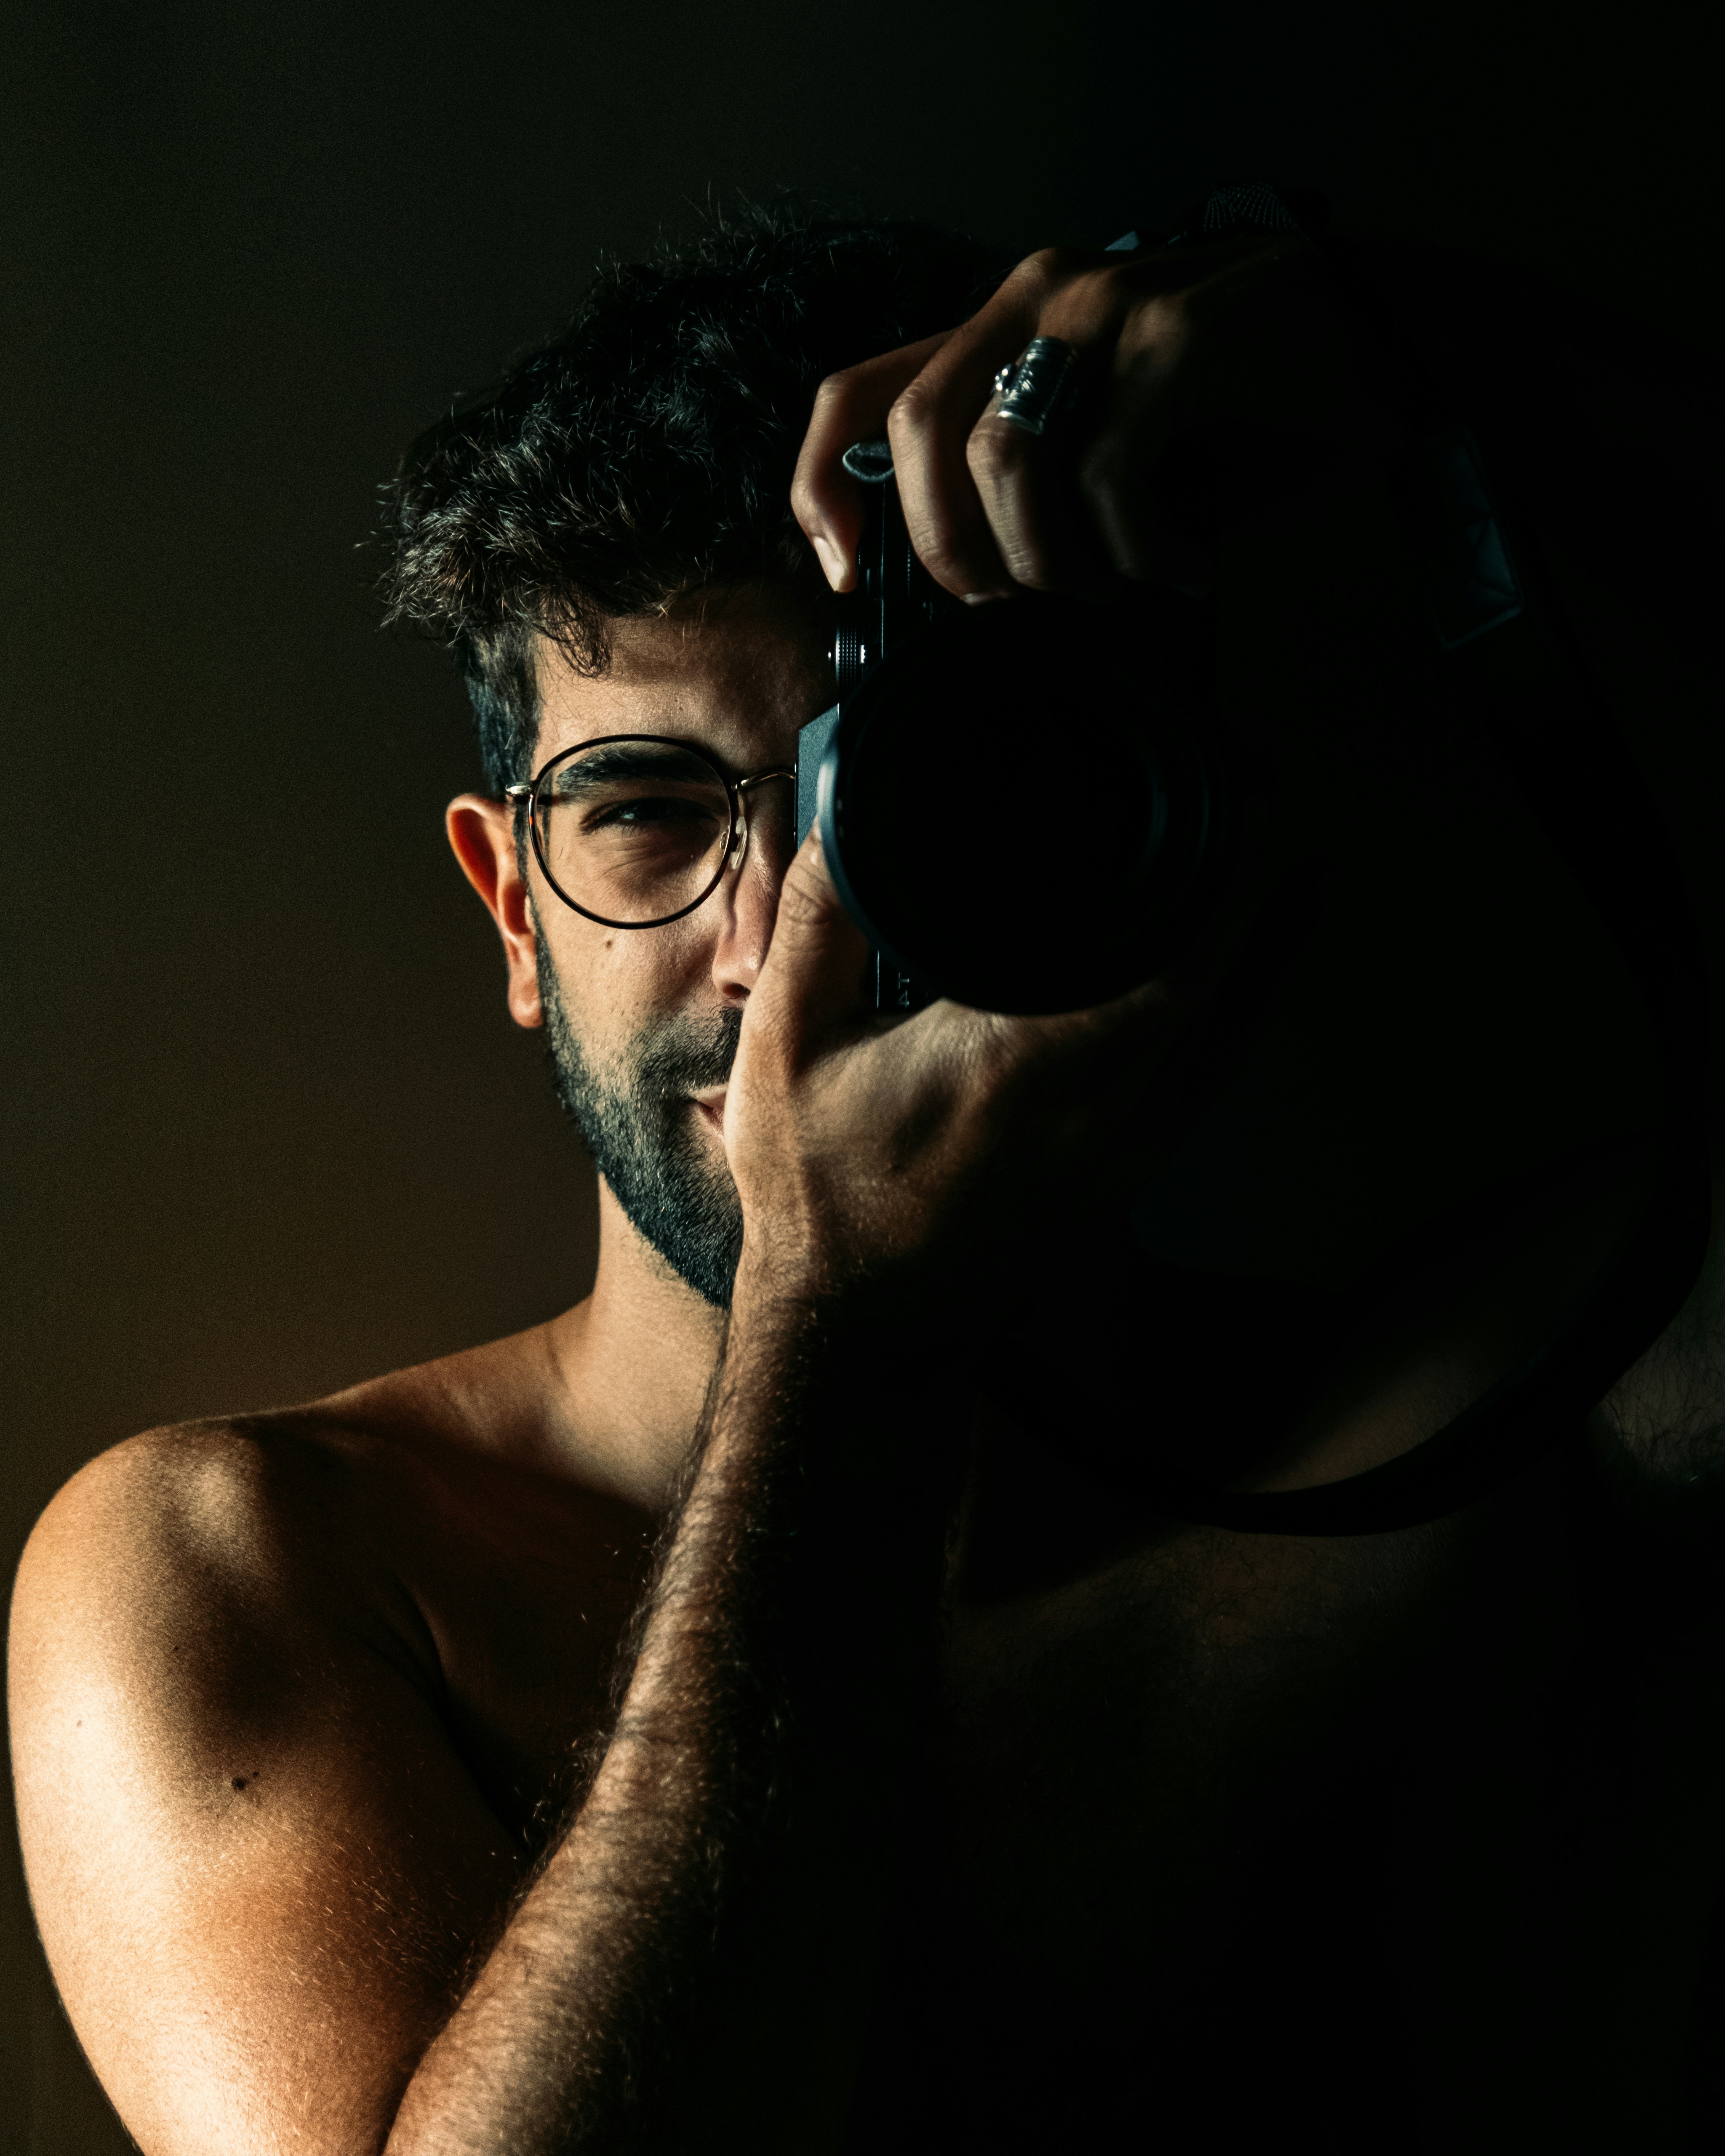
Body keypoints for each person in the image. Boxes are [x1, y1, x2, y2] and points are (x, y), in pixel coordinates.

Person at [9, 200, 1722, 2155]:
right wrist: (848, 1337)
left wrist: (1443, 363)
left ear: (1136, 809)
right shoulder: (251, 1566)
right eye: (647, 809)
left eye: (897, 784)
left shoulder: (1521, 1409)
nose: (784, 936)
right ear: (510, 913)